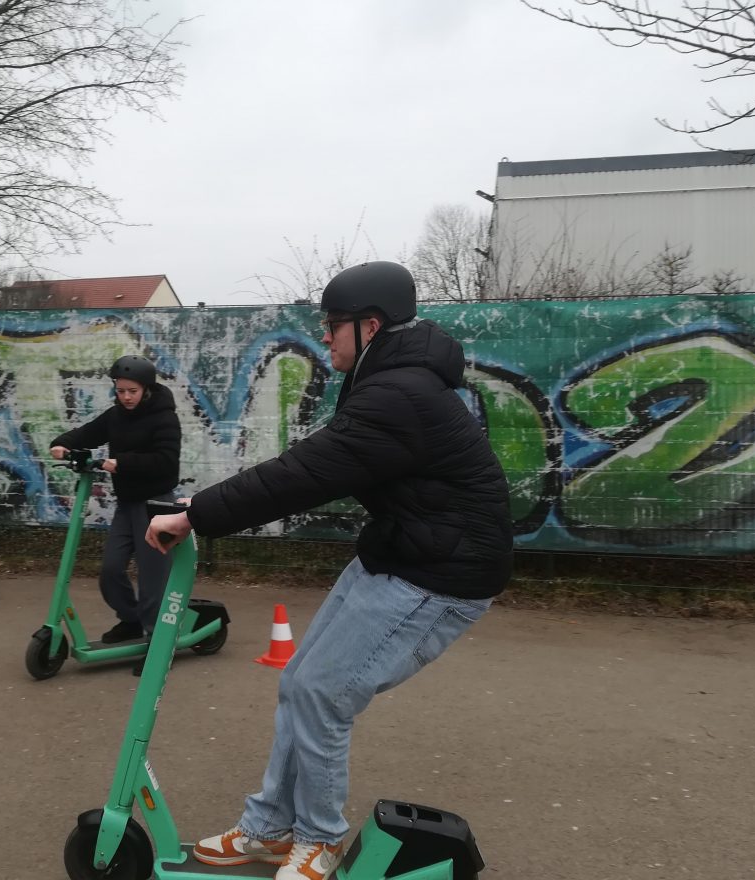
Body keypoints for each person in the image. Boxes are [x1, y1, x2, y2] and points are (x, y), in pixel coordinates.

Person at [145, 261, 513, 880]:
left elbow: (308, 472)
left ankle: (319, 839)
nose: (324, 336)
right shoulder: (392, 380)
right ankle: (268, 830)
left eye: (333, 324)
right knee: (301, 685)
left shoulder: (400, 394)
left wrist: (197, 514)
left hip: (441, 574)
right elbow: (317, 465)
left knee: (322, 694)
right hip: (401, 552)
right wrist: (201, 507)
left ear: (371, 325)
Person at [50, 355, 180, 670]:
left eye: (132, 391)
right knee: (110, 570)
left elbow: (165, 461)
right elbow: (87, 433)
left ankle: (158, 642)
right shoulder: (116, 415)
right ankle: (131, 620)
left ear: (146, 389)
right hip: (127, 504)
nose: (126, 397)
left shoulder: (164, 419)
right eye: (120, 391)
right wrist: (62, 443)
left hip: (156, 505)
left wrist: (122, 463)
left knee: (152, 579)